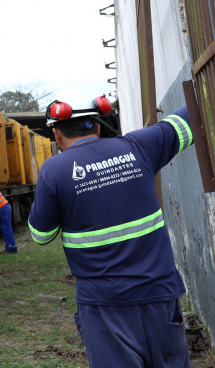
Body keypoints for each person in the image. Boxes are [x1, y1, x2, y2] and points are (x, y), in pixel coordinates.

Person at [28, 88, 193, 367]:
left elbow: (41, 235)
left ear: (56, 134)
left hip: (105, 304)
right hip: (160, 294)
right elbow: (189, 118)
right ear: (97, 125)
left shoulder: (53, 170)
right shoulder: (139, 146)